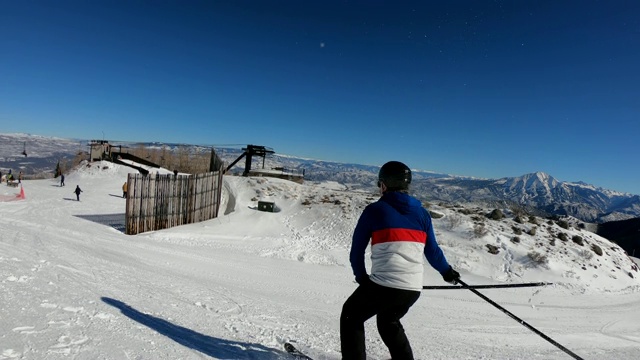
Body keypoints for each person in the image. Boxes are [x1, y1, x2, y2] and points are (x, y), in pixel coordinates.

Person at [340, 161, 461, 360]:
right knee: (388, 321)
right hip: (412, 290)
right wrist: (447, 272)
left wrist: (362, 279)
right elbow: (432, 251)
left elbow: (356, 252)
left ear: (383, 185)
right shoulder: (422, 214)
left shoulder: (374, 210)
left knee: (351, 316)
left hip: (383, 285)